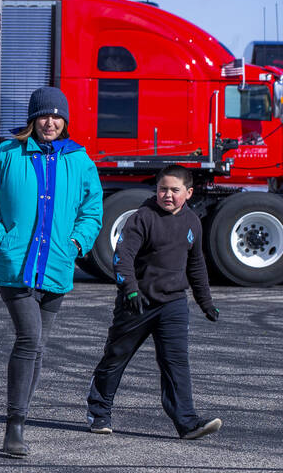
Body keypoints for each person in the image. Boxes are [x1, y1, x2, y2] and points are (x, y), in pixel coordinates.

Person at [0, 86, 103, 457]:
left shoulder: (79, 160)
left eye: (58, 116)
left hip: (57, 266)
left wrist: (76, 244)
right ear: (33, 119)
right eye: (44, 115)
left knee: (39, 346)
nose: (51, 122)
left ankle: (19, 420)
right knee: (29, 339)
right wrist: (2, 241)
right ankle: (15, 425)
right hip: (16, 267)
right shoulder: (7, 155)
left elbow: (92, 211)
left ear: (66, 121)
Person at [84, 165, 222, 439]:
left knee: (176, 363)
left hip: (173, 304)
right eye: (163, 189)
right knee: (116, 357)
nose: (167, 195)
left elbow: (196, 265)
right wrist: (131, 290)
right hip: (137, 302)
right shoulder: (142, 218)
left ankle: (187, 422)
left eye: (174, 190)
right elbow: (122, 257)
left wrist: (205, 301)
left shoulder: (192, 221)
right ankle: (99, 413)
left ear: (189, 192)